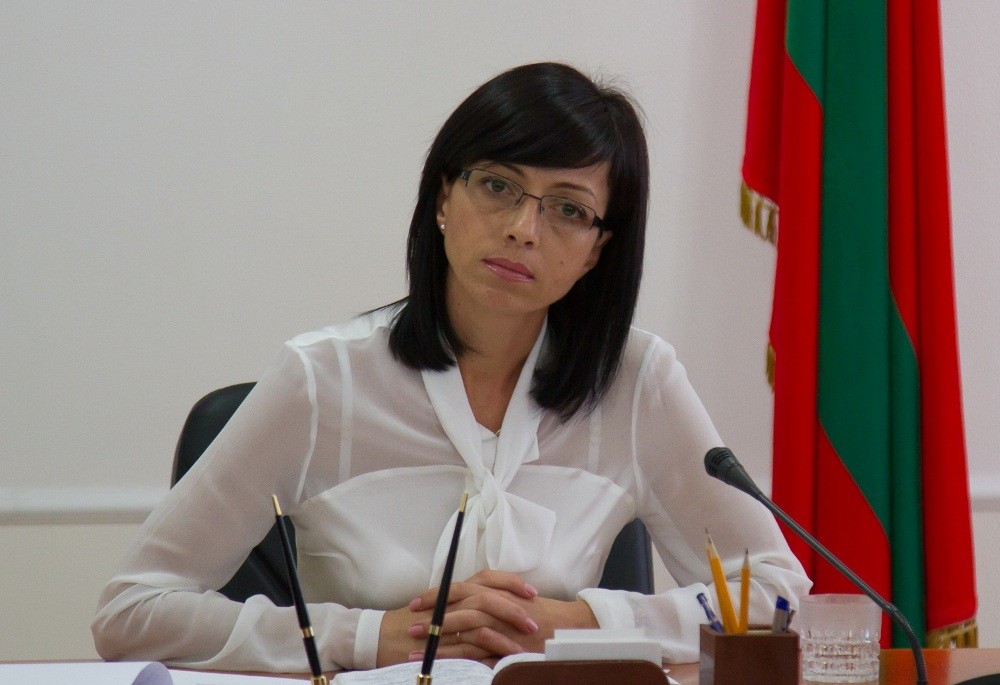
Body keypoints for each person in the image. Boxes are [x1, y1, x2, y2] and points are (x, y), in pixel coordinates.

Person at [92, 62, 810, 672]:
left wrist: (583, 623)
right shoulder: (322, 380)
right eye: (497, 186)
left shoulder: (636, 381)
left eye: (568, 210)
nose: (523, 229)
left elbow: (783, 594)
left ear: (598, 250)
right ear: (443, 197)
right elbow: (131, 611)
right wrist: (368, 637)